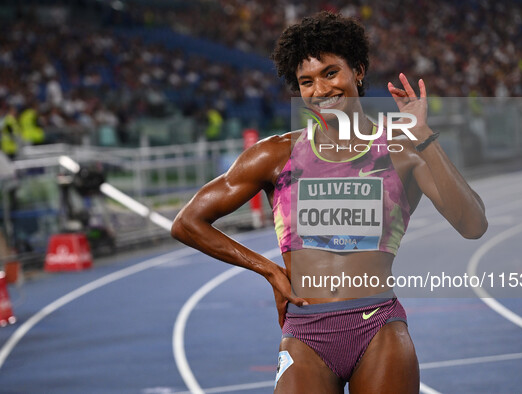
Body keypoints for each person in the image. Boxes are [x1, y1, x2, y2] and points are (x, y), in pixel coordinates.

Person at [171, 12, 487, 393]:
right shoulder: (276, 154)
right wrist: (269, 270)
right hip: (305, 331)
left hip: (378, 327)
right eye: (306, 81)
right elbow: (187, 222)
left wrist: (423, 135)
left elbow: (473, 225)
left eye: (330, 73)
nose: (320, 90)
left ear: (358, 70)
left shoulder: (401, 149)